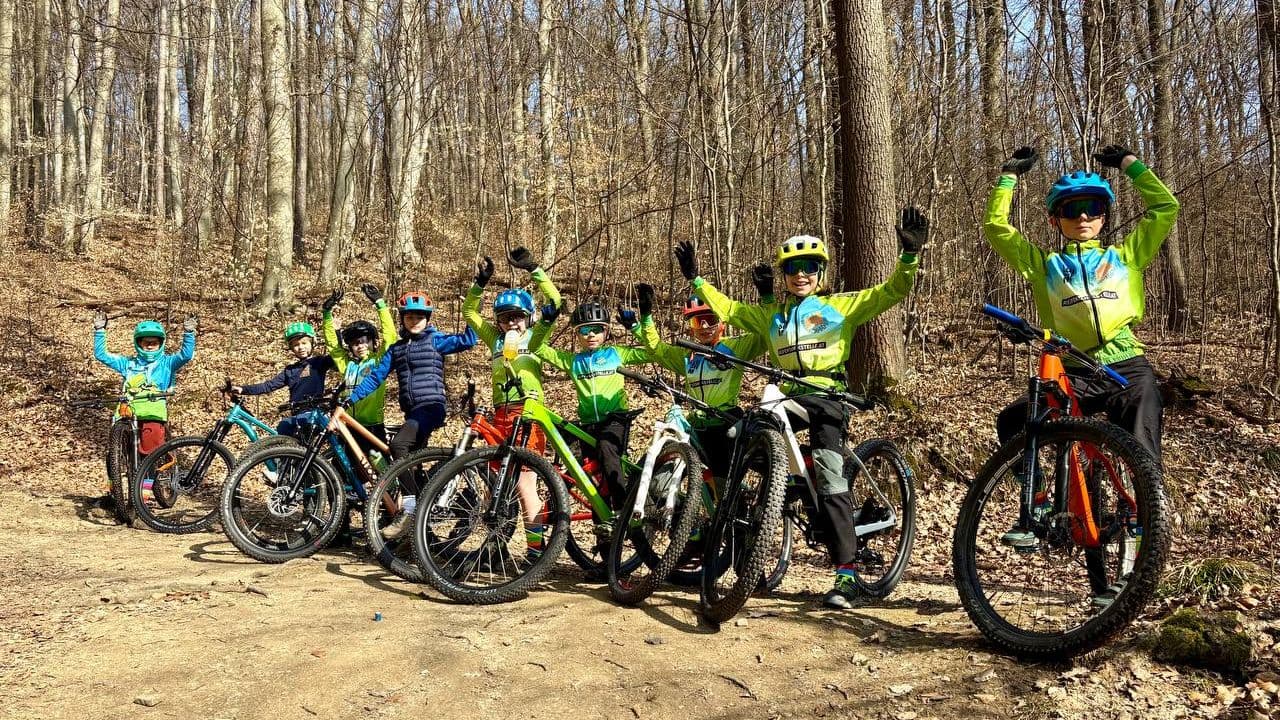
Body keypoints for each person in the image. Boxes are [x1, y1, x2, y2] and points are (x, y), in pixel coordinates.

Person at [677, 207, 928, 609]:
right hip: (788, 396)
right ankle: (757, 536)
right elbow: (727, 310)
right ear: (784, 275)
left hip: (829, 398)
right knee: (746, 435)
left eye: (809, 267)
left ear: (820, 272)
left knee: (830, 478)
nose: (801, 275)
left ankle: (846, 573)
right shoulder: (771, 316)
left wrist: (909, 257)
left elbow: (890, 293)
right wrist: (696, 279)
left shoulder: (840, 307)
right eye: (793, 268)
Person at [983, 144, 1179, 550]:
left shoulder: (1125, 255)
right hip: (1073, 366)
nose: (1084, 216)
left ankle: (1148, 521)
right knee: (1015, 420)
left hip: (1127, 362)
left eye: (1092, 207)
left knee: (1142, 437)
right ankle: (1036, 502)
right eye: (1072, 210)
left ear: (1105, 216)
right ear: (1057, 220)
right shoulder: (1044, 264)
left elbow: (1166, 208)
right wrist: (1008, 177)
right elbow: (996, 228)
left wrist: (1131, 165)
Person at [348, 289, 478, 539]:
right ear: (403, 320)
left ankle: (408, 510)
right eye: (410, 317)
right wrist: (349, 400)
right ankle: (422, 533)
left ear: (428, 319)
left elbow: (469, 340)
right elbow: (375, 377)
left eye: (420, 317)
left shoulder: (436, 340)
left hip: (431, 407)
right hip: (412, 411)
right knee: (412, 464)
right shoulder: (396, 349)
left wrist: (469, 310)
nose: (415, 321)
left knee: (399, 446)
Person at [463, 246, 562, 558]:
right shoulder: (494, 338)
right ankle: (496, 544)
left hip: (529, 412)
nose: (511, 324)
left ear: (528, 317)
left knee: (524, 483)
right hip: (501, 415)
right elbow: (469, 312)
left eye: (518, 317)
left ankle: (536, 549)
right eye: (505, 319)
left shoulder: (534, 337)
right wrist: (480, 284)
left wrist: (534, 269)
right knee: (495, 483)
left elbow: (556, 303)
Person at [533, 300, 652, 541]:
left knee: (608, 452)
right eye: (584, 330)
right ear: (576, 333)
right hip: (588, 424)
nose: (591, 335)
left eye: (596, 329)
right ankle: (605, 540)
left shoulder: (617, 354)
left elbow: (654, 351)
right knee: (593, 481)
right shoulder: (573, 361)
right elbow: (537, 347)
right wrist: (545, 323)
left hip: (615, 420)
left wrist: (636, 327)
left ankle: (621, 509)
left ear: (607, 331)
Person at [624, 282, 768, 481]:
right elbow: (657, 349)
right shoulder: (687, 355)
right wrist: (646, 318)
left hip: (725, 423)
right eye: (696, 322)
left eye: (710, 320)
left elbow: (767, 332)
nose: (704, 327)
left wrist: (767, 300)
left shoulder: (736, 347)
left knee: (723, 482)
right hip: (696, 426)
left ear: (723, 323)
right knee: (651, 471)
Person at [92, 312, 198, 497]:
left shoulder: (167, 362)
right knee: (114, 453)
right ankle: (113, 492)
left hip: (153, 413)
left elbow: (186, 355)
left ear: (160, 343)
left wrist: (189, 333)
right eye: (146, 342)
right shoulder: (128, 363)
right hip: (127, 412)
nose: (150, 346)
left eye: (154, 342)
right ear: (139, 343)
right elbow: (102, 355)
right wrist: (100, 330)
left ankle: (145, 495)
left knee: (149, 453)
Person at [321, 283, 398, 452]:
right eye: (356, 343)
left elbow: (391, 337)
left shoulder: (378, 362)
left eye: (365, 341)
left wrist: (380, 304)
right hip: (348, 424)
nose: (361, 346)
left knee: (380, 469)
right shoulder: (347, 365)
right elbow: (332, 345)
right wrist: (326, 314)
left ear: (373, 342)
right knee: (349, 470)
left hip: (372, 425)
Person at [229, 322, 334, 437]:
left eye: (304, 343)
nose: (301, 348)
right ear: (291, 348)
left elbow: (337, 355)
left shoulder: (318, 362)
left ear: (312, 343)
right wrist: (242, 389)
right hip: (296, 416)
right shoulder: (290, 370)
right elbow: (268, 386)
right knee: (282, 429)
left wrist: (335, 333)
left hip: (314, 414)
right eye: (296, 345)